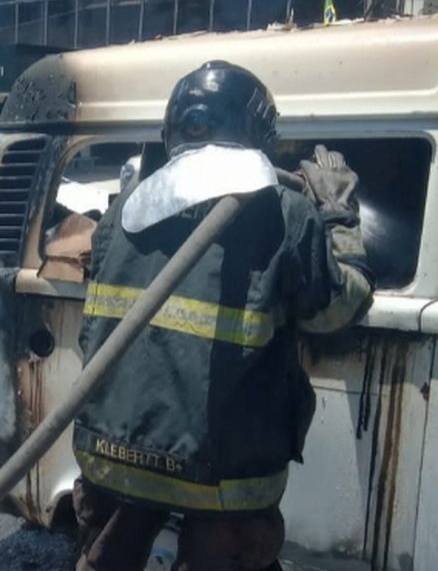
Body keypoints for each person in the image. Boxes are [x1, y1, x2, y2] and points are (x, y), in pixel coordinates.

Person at [70, 61, 373, 571]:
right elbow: (338, 309)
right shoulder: (287, 213)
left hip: (113, 454)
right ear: (259, 135)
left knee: (107, 562)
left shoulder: (122, 213)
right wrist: (339, 214)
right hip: (225, 474)